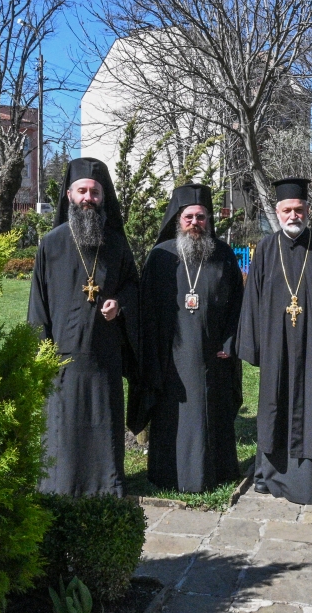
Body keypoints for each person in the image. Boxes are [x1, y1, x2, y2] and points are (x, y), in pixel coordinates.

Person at [235, 178, 312, 504]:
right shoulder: (265, 249)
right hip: (276, 350)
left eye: (298, 209)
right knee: (275, 408)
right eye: (287, 210)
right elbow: (253, 301)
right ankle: (270, 477)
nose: (293, 215)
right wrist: (252, 345)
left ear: (307, 210)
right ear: (277, 211)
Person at [29, 157, 140, 497]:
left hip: (103, 354)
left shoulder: (117, 245)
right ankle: (60, 485)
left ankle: (107, 483)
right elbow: (37, 303)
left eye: (94, 191)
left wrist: (119, 304)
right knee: (62, 425)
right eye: (82, 191)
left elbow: (134, 287)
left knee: (103, 423)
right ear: (69, 195)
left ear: (103, 197)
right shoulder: (51, 243)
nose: (88, 197)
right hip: (61, 355)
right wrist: (42, 351)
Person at [131, 184, 245, 493]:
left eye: (201, 217)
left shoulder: (223, 255)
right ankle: (170, 475)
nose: (195, 223)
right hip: (173, 359)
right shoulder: (161, 256)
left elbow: (239, 305)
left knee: (213, 413)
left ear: (209, 220)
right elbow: (147, 311)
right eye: (189, 217)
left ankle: (217, 471)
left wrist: (230, 343)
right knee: (174, 417)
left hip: (213, 355)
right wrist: (155, 353)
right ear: (178, 219)